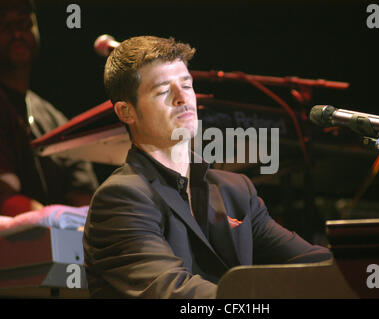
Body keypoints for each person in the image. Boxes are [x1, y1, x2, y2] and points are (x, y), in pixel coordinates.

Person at [83, 35, 332, 299]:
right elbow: (175, 293)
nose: (183, 98)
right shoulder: (121, 197)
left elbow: (309, 263)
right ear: (126, 112)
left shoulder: (235, 190)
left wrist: (362, 271)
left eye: (187, 85)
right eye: (164, 91)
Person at [0, 0, 98, 216]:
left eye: (24, 24)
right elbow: (5, 199)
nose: (17, 34)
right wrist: (55, 224)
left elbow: (84, 198)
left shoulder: (55, 120)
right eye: (5, 26)